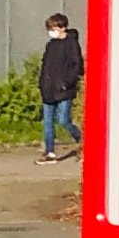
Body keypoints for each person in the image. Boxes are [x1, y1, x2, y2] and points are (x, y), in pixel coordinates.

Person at [37, 13, 84, 165]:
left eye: (53, 28)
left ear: (62, 27)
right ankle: (49, 152)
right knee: (48, 122)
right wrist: (42, 84)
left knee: (63, 120)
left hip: (64, 90)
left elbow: (77, 66)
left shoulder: (71, 44)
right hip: (48, 90)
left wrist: (66, 83)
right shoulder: (51, 45)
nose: (51, 31)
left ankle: (82, 141)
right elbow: (45, 67)